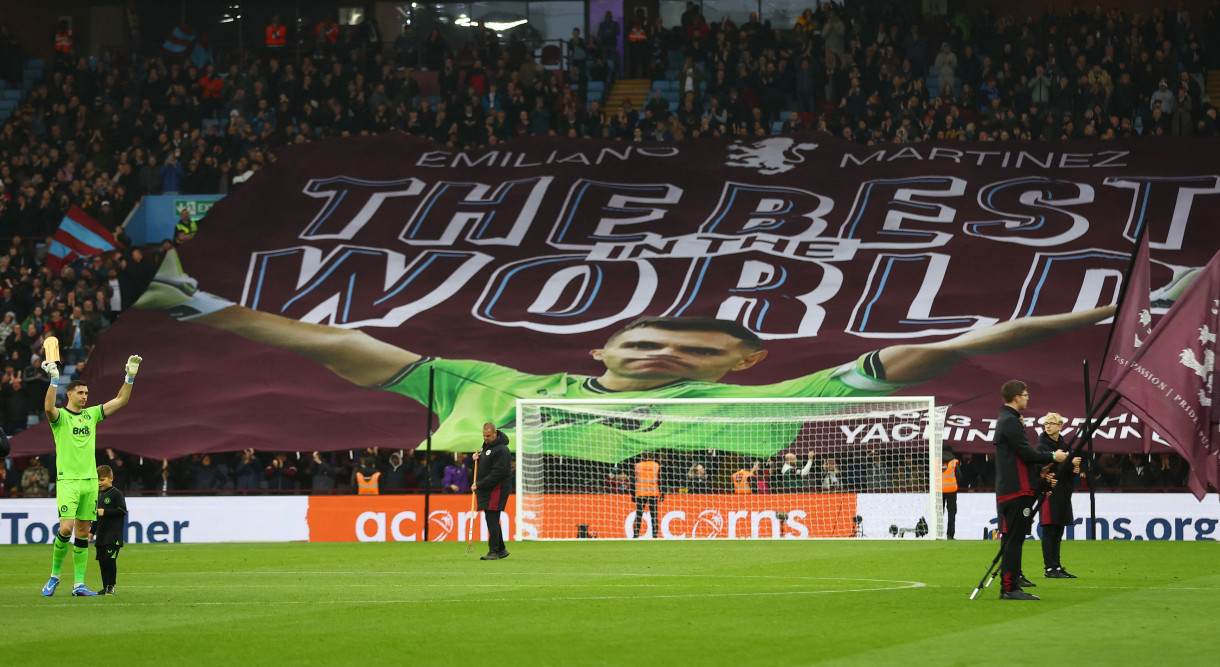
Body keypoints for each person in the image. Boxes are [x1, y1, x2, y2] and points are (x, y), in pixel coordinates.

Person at [134, 251, 1117, 458]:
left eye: (694, 350)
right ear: (604, 341)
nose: (658, 353)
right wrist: (199, 305)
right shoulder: (501, 386)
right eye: (645, 338)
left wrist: (1128, 300)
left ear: (735, 369)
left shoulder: (779, 400)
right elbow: (340, 343)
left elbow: (958, 342)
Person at [40, 354, 142, 597]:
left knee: (83, 532)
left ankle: (78, 585)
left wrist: (129, 377)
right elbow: (47, 408)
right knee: (65, 529)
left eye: (86, 393)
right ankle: (54, 576)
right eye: (81, 393)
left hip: (89, 482)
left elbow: (121, 400)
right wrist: (53, 382)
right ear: (70, 395)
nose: (85, 396)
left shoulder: (92, 414)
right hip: (68, 480)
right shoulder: (60, 418)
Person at [993, 380, 1066, 601]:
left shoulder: (1009, 420)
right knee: (1014, 540)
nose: (1027, 398)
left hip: (1013, 488)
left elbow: (1019, 456)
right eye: (1026, 395)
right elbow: (1025, 452)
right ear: (1017, 397)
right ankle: (1009, 587)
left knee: (1013, 539)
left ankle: (1011, 585)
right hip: (1016, 490)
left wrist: (1039, 472)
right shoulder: (1010, 421)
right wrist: (1053, 457)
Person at [1038, 412, 1082, 578]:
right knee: (1049, 530)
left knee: (1058, 530)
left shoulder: (1065, 445)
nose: (1048, 426)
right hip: (1050, 492)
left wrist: (1073, 470)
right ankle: (1049, 568)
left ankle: (1056, 565)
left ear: (1060, 426)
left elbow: (1064, 470)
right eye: (1046, 423)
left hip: (1063, 491)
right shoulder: (1042, 446)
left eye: (1051, 423)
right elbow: (1045, 469)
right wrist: (1069, 463)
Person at [473, 422, 513, 560]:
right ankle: (501, 549)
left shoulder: (502, 450)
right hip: (488, 489)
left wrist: (479, 485)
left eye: (488, 436)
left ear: (495, 433)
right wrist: (478, 458)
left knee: (492, 519)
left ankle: (494, 551)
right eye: (484, 436)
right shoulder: (487, 446)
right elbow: (487, 463)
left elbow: (498, 473)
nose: (485, 438)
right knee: (492, 519)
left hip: (497, 489)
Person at [90, 465, 127, 595]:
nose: (99, 483)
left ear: (111, 478)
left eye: (102, 479)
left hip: (113, 535)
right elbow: (96, 516)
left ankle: (111, 586)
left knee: (110, 560)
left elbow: (122, 510)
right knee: (102, 561)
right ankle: (105, 586)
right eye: (97, 480)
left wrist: (105, 512)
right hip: (101, 535)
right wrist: (91, 531)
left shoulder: (116, 493)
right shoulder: (97, 495)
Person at [632, 451, 661, 538]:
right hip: (653, 492)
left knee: (639, 514)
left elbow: (633, 480)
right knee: (654, 515)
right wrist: (662, 493)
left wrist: (633, 494)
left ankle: (636, 534)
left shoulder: (637, 466)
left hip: (641, 493)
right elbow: (660, 480)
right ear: (652, 456)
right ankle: (655, 535)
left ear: (642, 456)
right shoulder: (656, 465)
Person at [940, 444, 958, 540]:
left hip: (939, 490)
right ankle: (950, 534)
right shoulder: (954, 461)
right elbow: (959, 476)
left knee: (939, 512)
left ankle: (938, 533)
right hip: (951, 490)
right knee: (951, 512)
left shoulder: (936, 461)